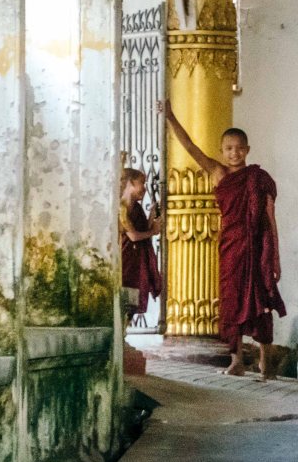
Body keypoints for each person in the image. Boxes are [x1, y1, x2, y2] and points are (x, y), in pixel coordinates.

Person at [161, 101, 285, 379]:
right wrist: (170, 116)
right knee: (231, 302)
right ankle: (237, 360)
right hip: (231, 246)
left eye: (239, 148)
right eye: (229, 149)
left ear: (248, 150)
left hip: (257, 247)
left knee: (261, 298)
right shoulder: (218, 173)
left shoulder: (259, 178)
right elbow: (191, 147)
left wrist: (274, 255)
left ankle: (266, 361)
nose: (234, 153)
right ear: (221, 151)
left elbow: (270, 217)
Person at [119, 168, 163, 322]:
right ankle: (121, 336)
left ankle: (125, 334)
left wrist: (152, 215)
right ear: (130, 183)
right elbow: (134, 236)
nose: (144, 188)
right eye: (141, 184)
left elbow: (143, 229)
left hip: (136, 260)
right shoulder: (121, 208)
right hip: (125, 259)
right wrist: (153, 232)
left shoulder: (136, 208)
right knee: (123, 298)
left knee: (134, 298)